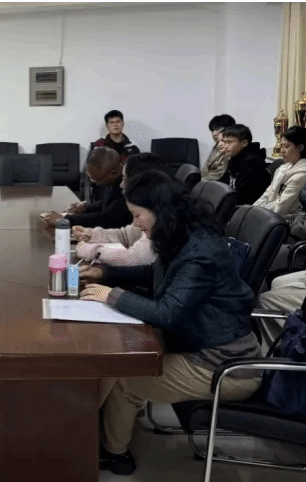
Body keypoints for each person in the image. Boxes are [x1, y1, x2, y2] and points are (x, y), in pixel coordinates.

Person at [79, 170, 261, 475]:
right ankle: (88, 423)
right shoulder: (182, 236)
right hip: (198, 342)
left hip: (224, 366)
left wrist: (112, 295)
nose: (136, 223)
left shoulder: (200, 253)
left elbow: (167, 313)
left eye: (138, 215)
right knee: (117, 351)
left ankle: (114, 453)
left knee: (126, 379)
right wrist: (106, 273)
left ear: (160, 211)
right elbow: (157, 275)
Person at [74, 153, 169, 267]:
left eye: (125, 179)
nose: (121, 185)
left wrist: (91, 251)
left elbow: (134, 258)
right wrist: (90, 234)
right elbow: (126, 236)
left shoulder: (163, 216)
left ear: (143, 182)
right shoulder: (151, 206)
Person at [43, 147, 131, 229]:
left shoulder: (129, 186)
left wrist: (66, 220)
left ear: (113, 173)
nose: (93, 182)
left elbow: (106, 219)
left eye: (96, 179)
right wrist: (86, 208)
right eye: (90, 177)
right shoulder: (115, 178)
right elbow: (108, 202)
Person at [253, 126, 306, 216]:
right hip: (268, 214)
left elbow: (280, 207)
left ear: (300, 148)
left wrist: (256, 213)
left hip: (285, 220)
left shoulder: (302, 175)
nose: (282, 151)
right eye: (282, 146)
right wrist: (251, 210)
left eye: (286, 146)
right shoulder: (283, 168)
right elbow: (267, 195)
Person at [220, 124, 270, 205]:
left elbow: (245, 196)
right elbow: (223, 183)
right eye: (225, 142)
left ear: (244, 143)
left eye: (229, 142)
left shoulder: (251, 162)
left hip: (248, 208)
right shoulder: (235, 158)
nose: (225, 146)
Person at [201, 114, 235, 181]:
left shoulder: (230, 149)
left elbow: (219, 175)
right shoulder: (216, 145)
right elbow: (206, 167)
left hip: (215, 183)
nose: (214, 134)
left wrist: (203, 182)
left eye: (217, 129)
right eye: (212, 131)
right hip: (205, 181)